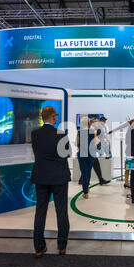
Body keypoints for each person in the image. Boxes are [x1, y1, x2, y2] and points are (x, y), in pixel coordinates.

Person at [31, 106, 71, 257]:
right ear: (54, 117)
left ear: (43, 117)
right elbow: (67, 154)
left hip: (41, 176)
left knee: (40, 212)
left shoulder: (35, 134)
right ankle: (62, 246)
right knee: (61, 211)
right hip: (59, 177)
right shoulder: (61, 135)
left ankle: (39, 248)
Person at [77, 116, 97, 199]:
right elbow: (95, 143)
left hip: (82, 154)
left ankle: (85, 192)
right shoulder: (93, 132)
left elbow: (77, 144)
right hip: (91, 154)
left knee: (84, 173)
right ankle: (86, 188)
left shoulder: (79, 132)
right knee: (88, 172)